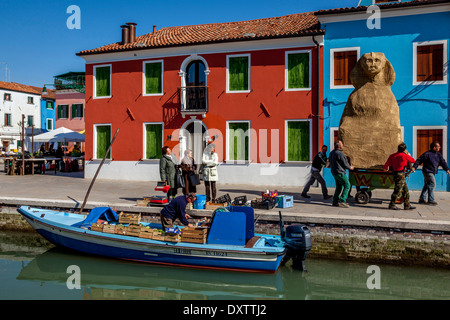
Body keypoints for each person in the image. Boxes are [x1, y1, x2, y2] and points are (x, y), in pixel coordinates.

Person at [413, 141, 450, 206]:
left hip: (432, 171)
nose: (439, 147)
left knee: (427, 185)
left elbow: (443, 162)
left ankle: (422, 199)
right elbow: (419, 160)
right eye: (438, 146)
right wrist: (414, 167)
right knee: (432, 184)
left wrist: (447, 169)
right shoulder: (427, 154)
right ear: (434, 147)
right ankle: (431, 200)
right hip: (427, 171)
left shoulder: (438, 155)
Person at [383, 143, 416, 210]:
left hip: (395, 173)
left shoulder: (392, 156)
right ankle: (392, 205)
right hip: (401, 174)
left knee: (405, 190)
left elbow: (386, 164)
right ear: (404, 149)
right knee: (397, 190)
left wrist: (385, 168)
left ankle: (407, 205)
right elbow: (413, 160)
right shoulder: (405, 156)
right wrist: (408, 155)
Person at [329, 140, 354, 208]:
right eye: (342, 144)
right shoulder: (340, 154)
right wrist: (350, 167)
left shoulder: (331, 153)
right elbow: (345, 164)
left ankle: (335, 201)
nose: (343, 145)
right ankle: (342, 201)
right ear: (339, 146)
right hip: (340, 173)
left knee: (339, 186)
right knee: (347, 185)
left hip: (334, 172)